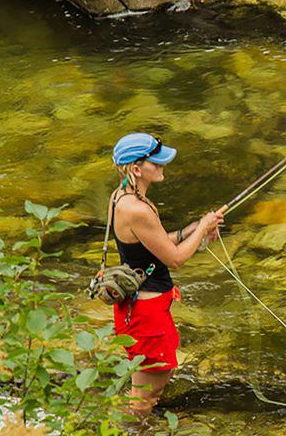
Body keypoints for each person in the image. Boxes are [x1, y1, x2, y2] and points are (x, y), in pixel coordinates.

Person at [107, 133, 224, 418]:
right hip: (145, 314)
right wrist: (203, 227)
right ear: (136, 169)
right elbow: (175, 259)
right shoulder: (137, 209)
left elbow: (150, 245)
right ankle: (134, 426)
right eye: (156, 163)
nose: (162, 167)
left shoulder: (121, 195)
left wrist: (193, 229)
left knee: (151, 382)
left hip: (140, 308)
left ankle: (134, 422)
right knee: (147, 395)